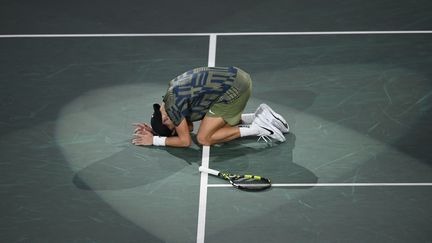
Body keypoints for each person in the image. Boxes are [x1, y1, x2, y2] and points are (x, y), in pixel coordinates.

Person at [132, 66, 289, 147]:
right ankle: (259, 116)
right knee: (215, 124)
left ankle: (259, 128)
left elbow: (185, 141)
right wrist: (156, 130)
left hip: (234, 89)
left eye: (170, 125)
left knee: (204, 138)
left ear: (166, 118)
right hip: (237, 77)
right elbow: (190, 127)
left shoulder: (173, 108)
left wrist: (154, 140)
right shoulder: (168, 101)